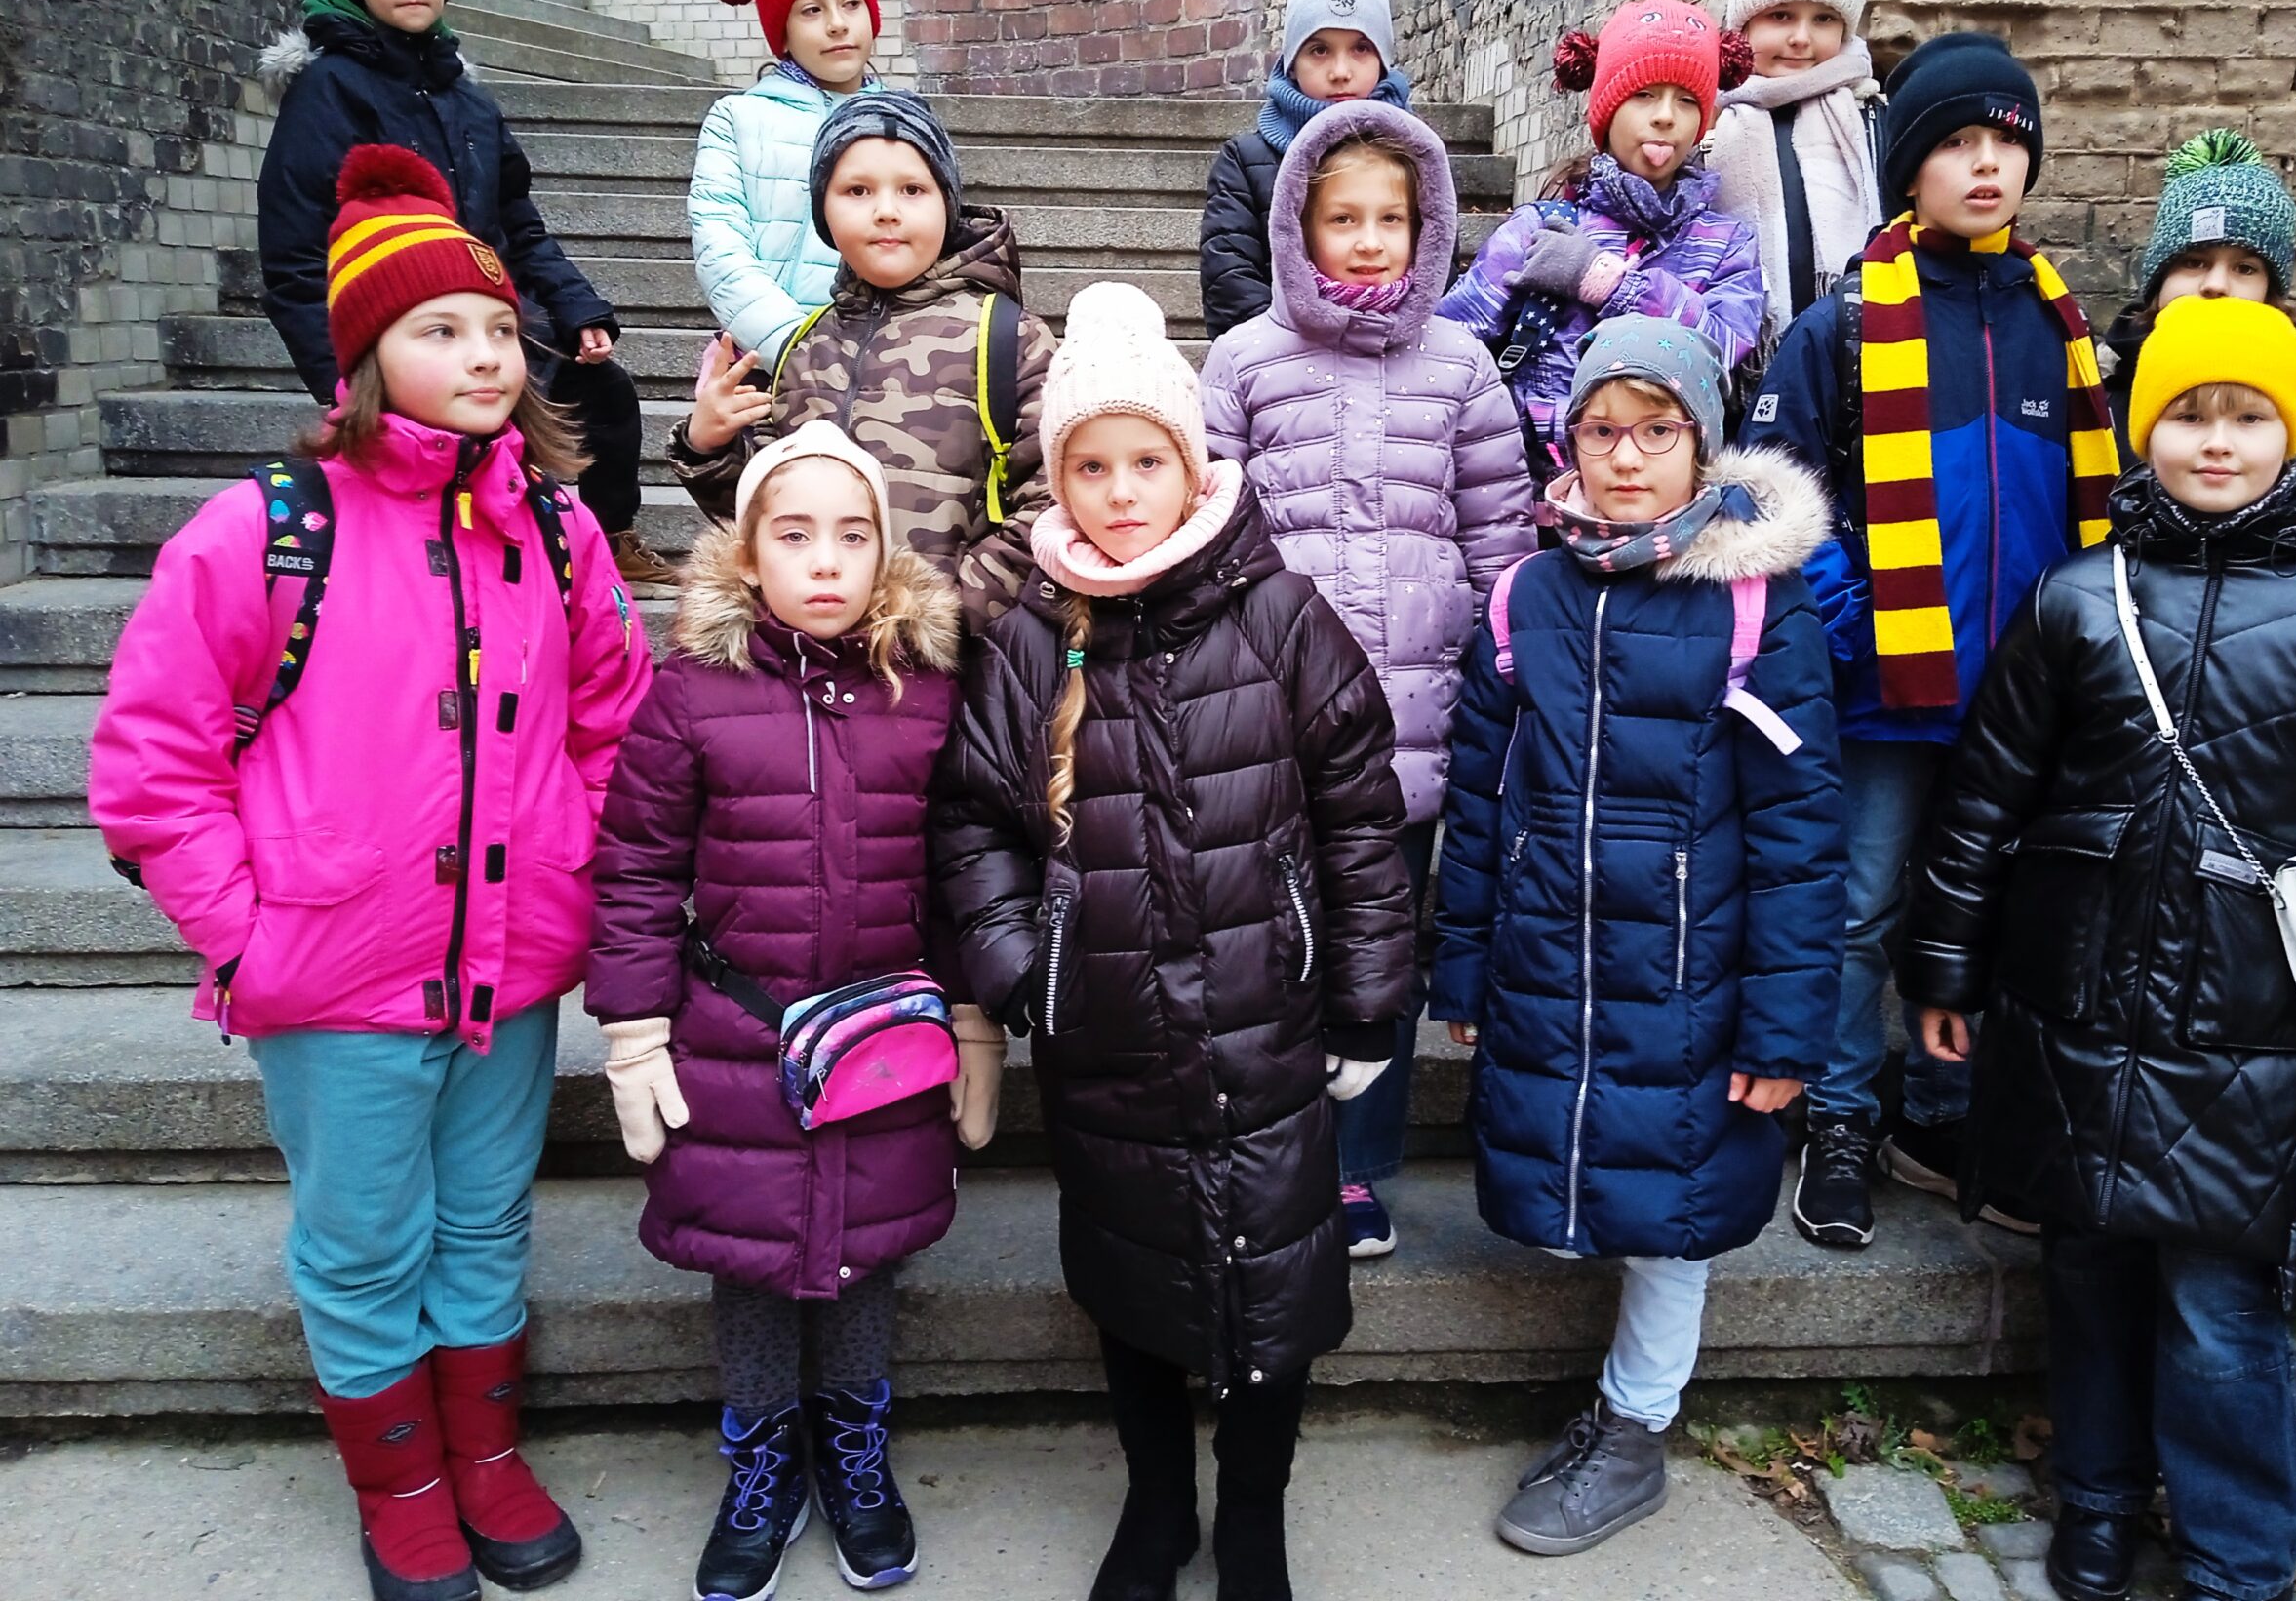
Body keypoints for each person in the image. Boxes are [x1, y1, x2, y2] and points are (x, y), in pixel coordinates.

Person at [92, 145, 653, 1601]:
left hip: (509, 970)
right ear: (363, 360)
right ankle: (399, 1482)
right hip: (330, 973)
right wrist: (245, 936)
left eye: (498, 326)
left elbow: (616, 723)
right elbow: (152, 761)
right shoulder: (269, 531)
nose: (485, 353)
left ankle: (484, 1454)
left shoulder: (557, 530)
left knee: (485, 1220)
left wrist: (576, 869)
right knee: (359, 1243)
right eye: (439, 329)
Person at [1898, 295, 2296, 1601]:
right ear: (2142, 428)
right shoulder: (2080, 600)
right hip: (2079, 1011)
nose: (2214, 441)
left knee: (2222, 1307)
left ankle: (2237, 1558)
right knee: (2088, 1268)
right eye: (2185, 414)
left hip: (2259, 1037)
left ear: (2294, 428)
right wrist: (1945, 964)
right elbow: (1986, 800)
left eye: (2244, 416)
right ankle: (2099, 1499)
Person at [931, 283, 1415, 1601]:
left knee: (1278, 1281)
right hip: (1109, 1032)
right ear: (1057, 480)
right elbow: (974, 821)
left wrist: (1367, 997)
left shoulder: (1279, 616)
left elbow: (1360, 814)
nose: (1120, 491)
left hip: (1266, 1024)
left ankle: (1253, 1516)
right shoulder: (1031, 638)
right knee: (1132, 1275)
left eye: (1145, 461)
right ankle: (1156, 1507)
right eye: (1090, 466)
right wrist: (1019, 968)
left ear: (1193, 464)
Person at [1433, 319, 1844, 1557]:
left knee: (1673, 1201)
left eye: (1656, 432)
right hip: (1550, 957)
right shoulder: (1527, 596)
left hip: (1690, 972)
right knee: (1590, 1160)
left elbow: (1799, 837)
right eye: (1602, 430)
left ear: (1701, 445)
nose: (1624, 458)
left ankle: (1634, 1424)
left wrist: (1783, 1028)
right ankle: (1610, 1401)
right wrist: (1464, 964)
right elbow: (1478, 797)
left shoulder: (1755, 607)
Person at [590, 420, 1003, 1600]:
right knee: (753, 1254)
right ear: (748, 552)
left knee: (865, 1248)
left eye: (852, 536)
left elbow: (959, 866)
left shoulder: (928, 693)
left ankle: (856, 1451)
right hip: (738, 1035)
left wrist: (974, 1018)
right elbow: (635, 868)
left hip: (885, 1038)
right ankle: (763, 1458)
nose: (824, 560)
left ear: (885, 553)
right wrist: (634, 1028)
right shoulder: (691, 694)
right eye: (795, 534)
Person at [1740, 31, 2121, 1250]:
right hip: (1886, 692)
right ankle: (1841, 1117)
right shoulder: (1843, 328)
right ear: (1908, 165)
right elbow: (1775, 496)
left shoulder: (2062, 331)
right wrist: (1852, 624)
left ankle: (1944, 1115)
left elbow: (2094, 515)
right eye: (1955, 142)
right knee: (1860, 908)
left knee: (1990, 912)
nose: (1984, 164)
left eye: (2004, 142)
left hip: (2022, 695)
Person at [1201, 98, 1533, 1258]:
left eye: (1390, 218)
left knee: (1377, 952)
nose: (1367, 240)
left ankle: (1356, 1169)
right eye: (1342, 217)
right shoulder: (1246, 360)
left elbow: (1499, 535)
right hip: (1272, 719)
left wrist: (1501, 664)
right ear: (1298, 221)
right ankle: (1269, 1150)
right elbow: (1207, 526)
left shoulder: (1460, 366)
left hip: (1411, 721)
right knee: (1266, 949)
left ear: (1426, 226)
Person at [256, 0, 668, 584]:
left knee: (603, 394)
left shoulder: (466, 97)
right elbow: (294, 259)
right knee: (466, 450)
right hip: (400, 332)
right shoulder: (328, 91)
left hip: (493, 312)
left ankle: (606, 542)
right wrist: (342, 380)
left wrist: (576, 307)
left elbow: (518, 222)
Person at [672, 90, 1056, 632]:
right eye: (857, 190)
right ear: (823, 214)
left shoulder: (1010, 338)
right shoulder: (808, 344)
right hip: (817, 652)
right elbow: (768, 520)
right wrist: (708, 448)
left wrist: (939, 614)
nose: (886, 210)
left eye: (913, 189)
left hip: (947, 653)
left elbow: (1052, 505)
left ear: (947, 204)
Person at [1439, 0, 1762, 478]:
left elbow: (1722, 346)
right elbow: (1448, 345)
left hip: (1668, 495)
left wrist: (1608, 283)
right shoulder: (1538, 230)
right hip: (1536, 490)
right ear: (1607, 110)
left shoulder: (1727, 243)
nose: (1665, 116)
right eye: (1644, 95)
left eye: (1686, 100)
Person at [693, 0, 908, 374]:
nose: (837, 24)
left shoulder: (906, 121)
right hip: (767, 362)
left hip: (885, 363)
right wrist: (797, 349)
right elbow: (720, 250)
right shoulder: (738, 119)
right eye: (811, 10)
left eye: (851, 3)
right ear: (783, 30)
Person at [2097, 128, 2296, 468]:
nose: (2216, 285)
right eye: (2194, 262)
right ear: (2159, 280)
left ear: (2269, 293)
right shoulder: (2091, 406)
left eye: (2244, 269)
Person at [1706, 0, 1886, 371]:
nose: (1802, 38)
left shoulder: (1871, 119)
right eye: (1782, 15)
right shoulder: (1705, 126)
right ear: (1745, 23)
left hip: (1855, 364)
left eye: (1823, 18)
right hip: (1738, 366)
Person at [1201, 0, 1417, 341]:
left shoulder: (1417, 155)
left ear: (1382, 60)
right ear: (1292, 62)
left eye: (1361, 48)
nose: (1340, 72)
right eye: (1319, 50)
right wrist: (1295, 353)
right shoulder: (1247, 161)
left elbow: (1435, 269)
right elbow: (1230, 281)